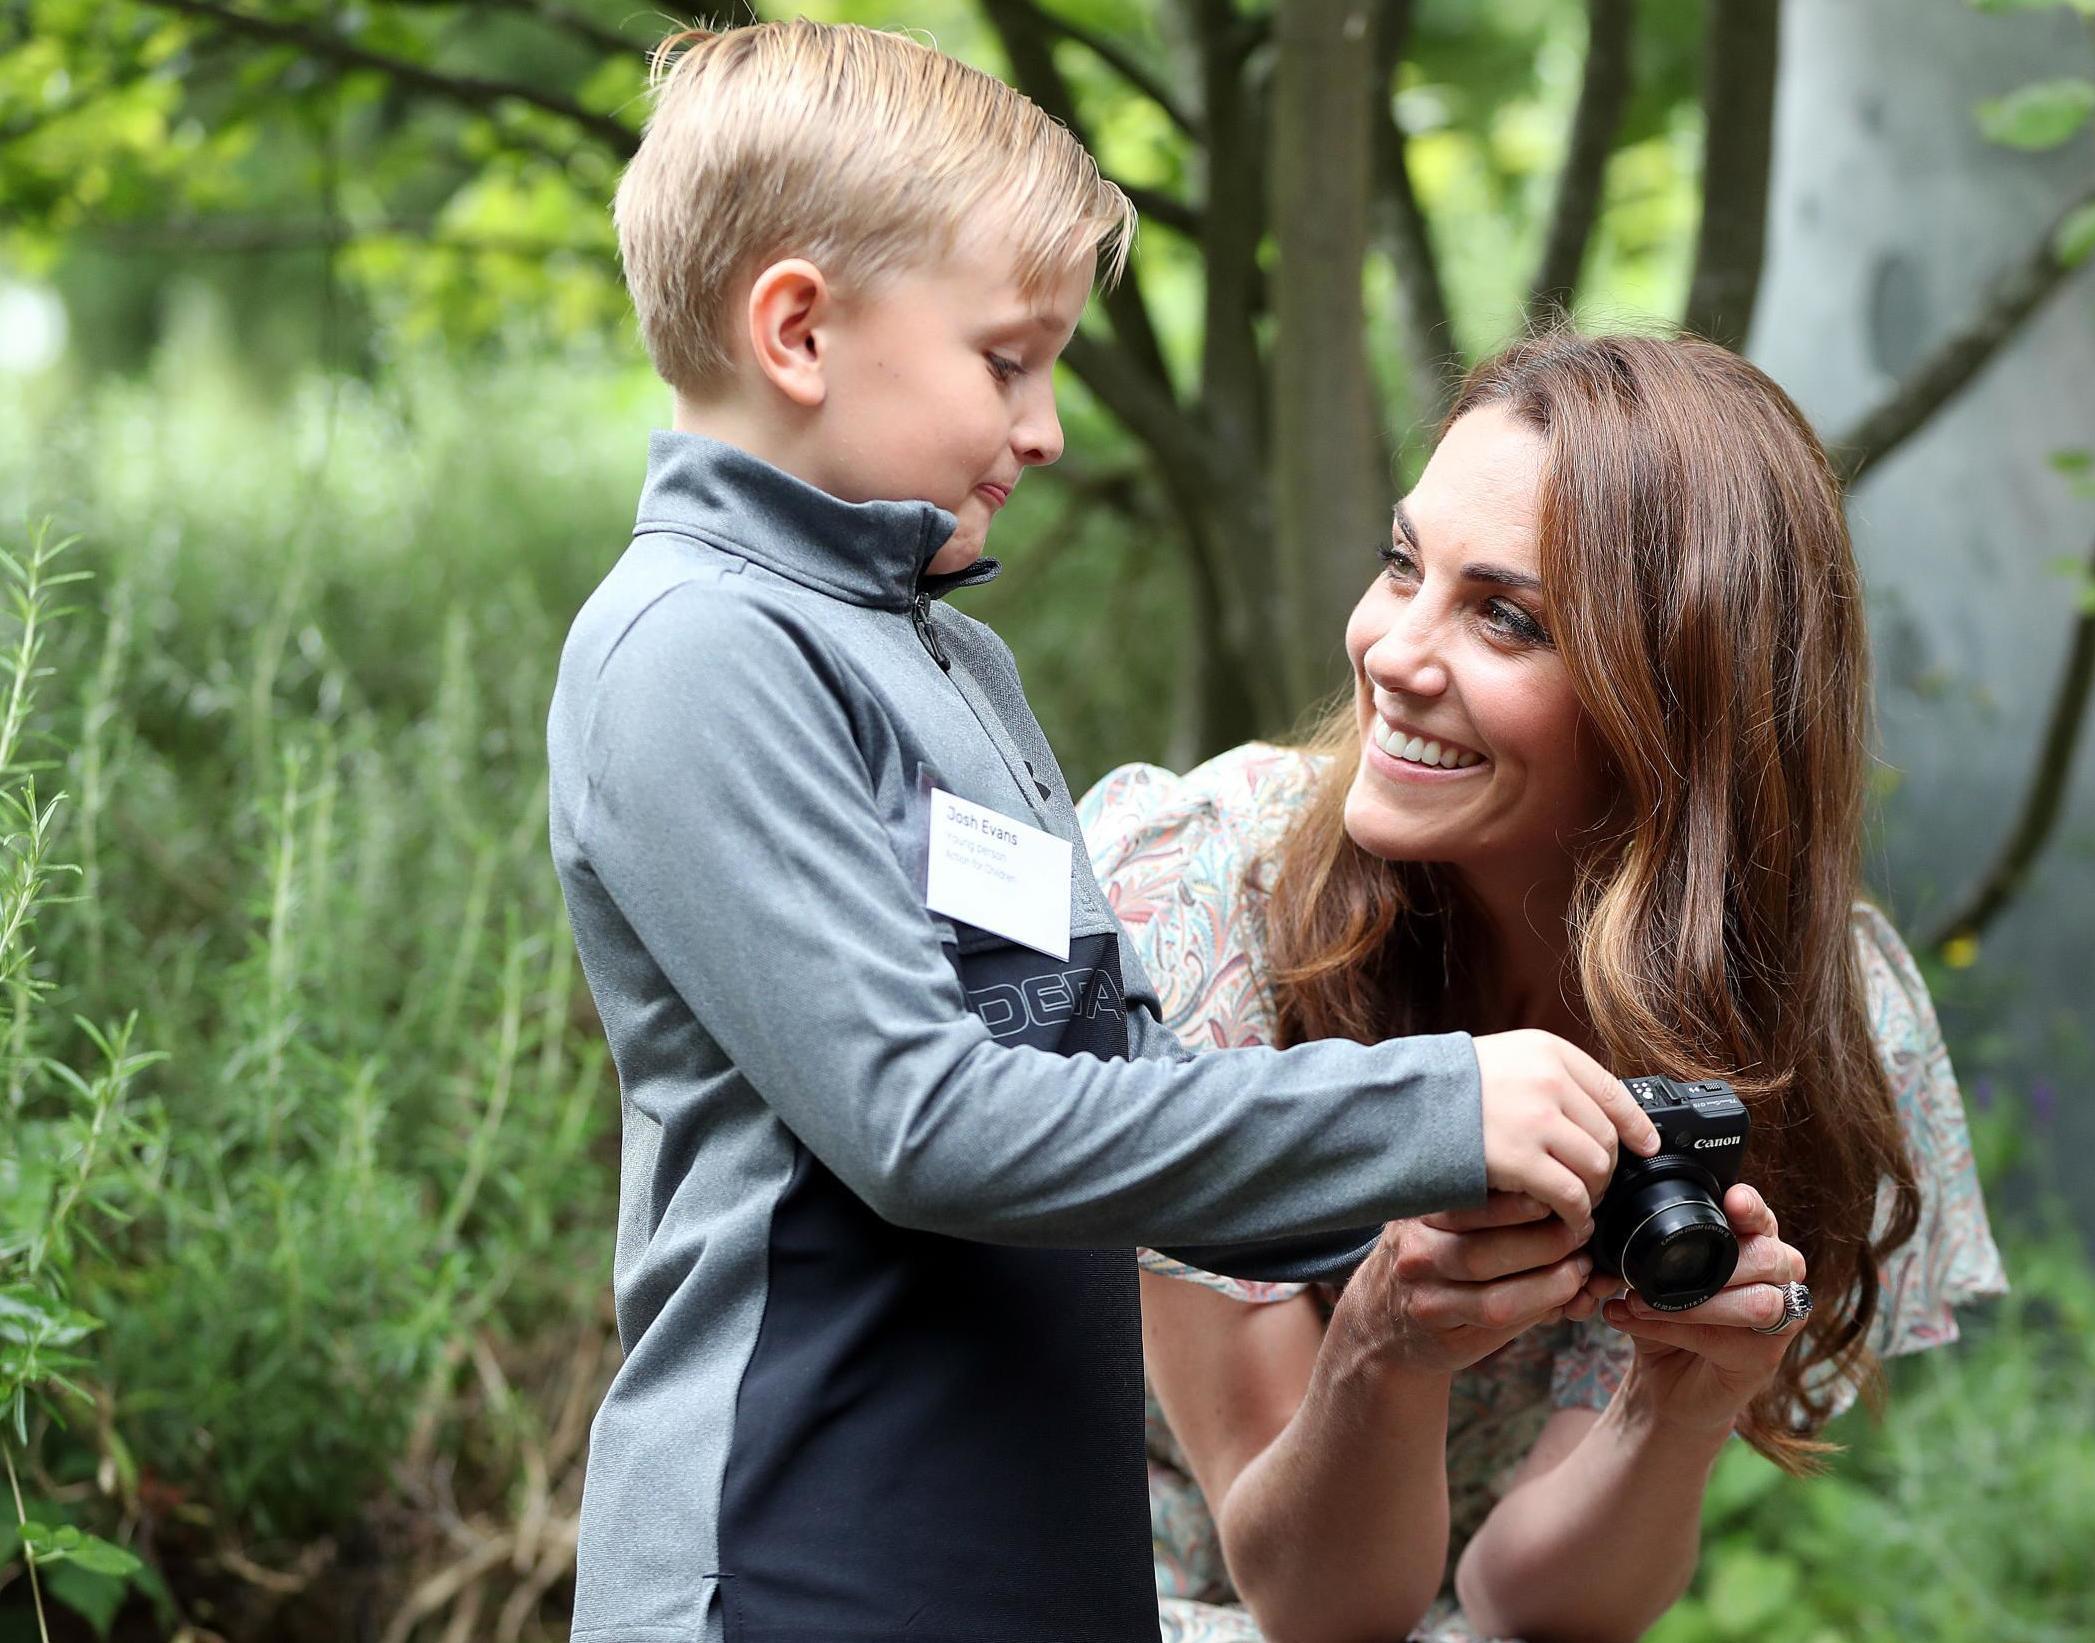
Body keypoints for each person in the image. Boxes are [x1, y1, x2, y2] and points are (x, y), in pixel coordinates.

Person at [543, 24, 1662, 1643]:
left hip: (1019, 1578)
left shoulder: (952, 657)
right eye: (1008, 359)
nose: (1050, 425)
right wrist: (1433, 1102)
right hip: (790, 1567)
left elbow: (1118, 1100)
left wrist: (1511, 1205)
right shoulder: (693, 648)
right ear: (795, 329)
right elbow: (923, 1125)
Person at [1082, 330, 2010, 1643]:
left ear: (1673, 707)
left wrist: (1673, 1411)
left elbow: (1534, 1608)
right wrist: (1384, 1346)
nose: (1393, 653)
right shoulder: (1192, 907)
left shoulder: (1807, 1014)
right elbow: (1302, 1597)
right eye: (1404, 564)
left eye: (1502, 616)